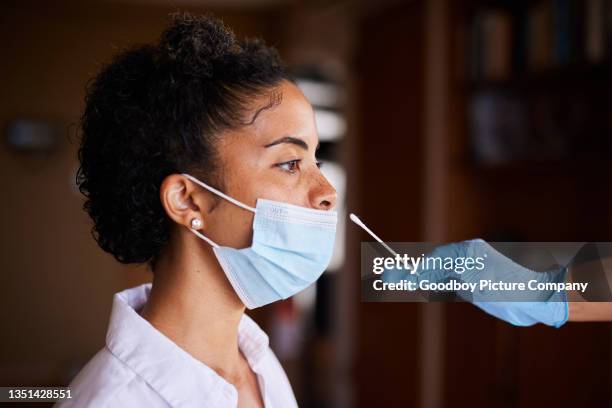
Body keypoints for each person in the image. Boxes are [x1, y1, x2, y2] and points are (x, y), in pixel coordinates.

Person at [60, 12, 337, 407]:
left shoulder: (259, 363)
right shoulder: (110, 400)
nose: (327, 192)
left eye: (316, 163)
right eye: (290, 163)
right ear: (187, 200)